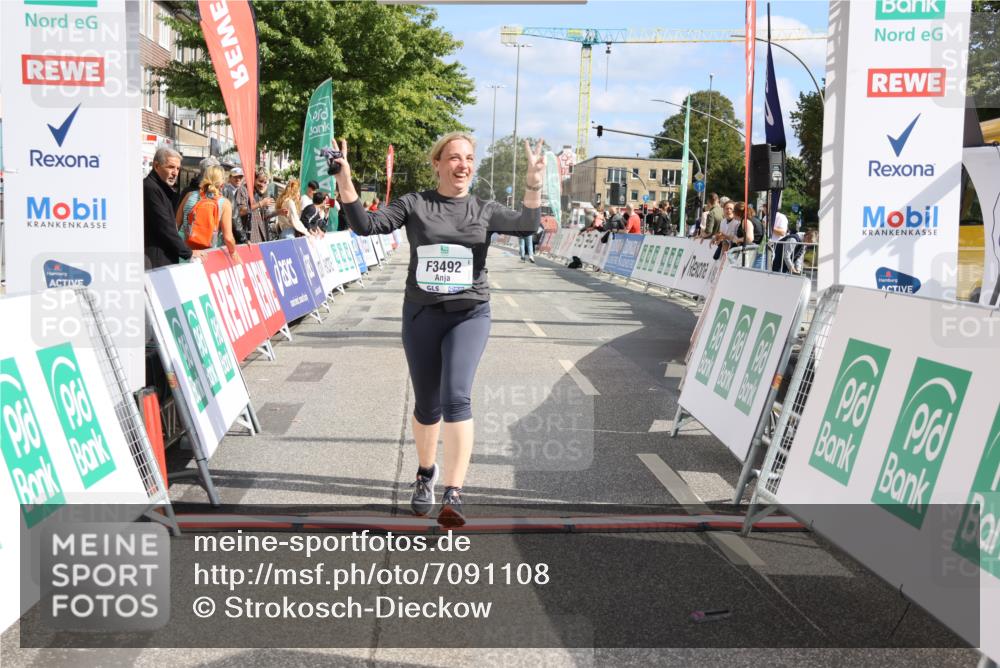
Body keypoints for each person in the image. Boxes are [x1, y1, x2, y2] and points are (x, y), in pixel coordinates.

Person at [335, 131, 543, 525]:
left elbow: (528, 225)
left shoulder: (483, 209)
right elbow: (366, 225)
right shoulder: (416, 204)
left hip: (469, 314)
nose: (463, 165)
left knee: (455, 398)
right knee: (427, 405)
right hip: (422, 315)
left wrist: (533, 185)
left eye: (469, 158)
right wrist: (344, 178)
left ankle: (454, 492)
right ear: (437, 164)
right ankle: (425, 473)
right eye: (454, 158)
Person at [144, 147, 204, 268]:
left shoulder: (161, 188)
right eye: (171, 167)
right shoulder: (150, 188)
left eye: (177, 168)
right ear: (156, 166)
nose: (175, 173)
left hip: (163, 257)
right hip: (156, 260)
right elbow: (164, 226)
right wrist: (188, 252)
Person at [175, 165, 238, 257]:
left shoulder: (189, 196)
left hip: (186, 252)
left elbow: (176, 225)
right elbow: (228, 238)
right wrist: (234, 253)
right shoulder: (224, 203)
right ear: (222, 184)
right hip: (208, 255)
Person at [247, 171, 277, 243]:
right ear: (254, 179)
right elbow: (241, 211)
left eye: (265, 182)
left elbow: (265, 216)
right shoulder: (245, 191)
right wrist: (261, 203)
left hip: (261, 235)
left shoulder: (261, 195)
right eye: (260, 181)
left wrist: (278, 212)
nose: (262, 185)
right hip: (250, 236)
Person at [221, 167, 248, 243]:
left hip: (240, 228)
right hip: (227, 229)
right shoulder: (225, 189)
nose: (238, 179)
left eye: (240, 177)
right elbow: (233, 214)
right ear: (230, 178)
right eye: (235, 177)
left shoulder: (244, 190)